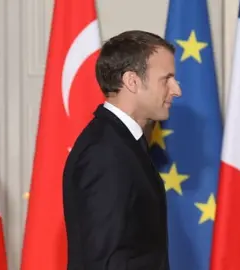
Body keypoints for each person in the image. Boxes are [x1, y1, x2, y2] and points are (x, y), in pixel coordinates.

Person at [62, 30, 182, 270]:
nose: (176, 89)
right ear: (132, 81)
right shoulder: (105, 152)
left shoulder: (123, 143)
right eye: (166, 79)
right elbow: (103, 259)